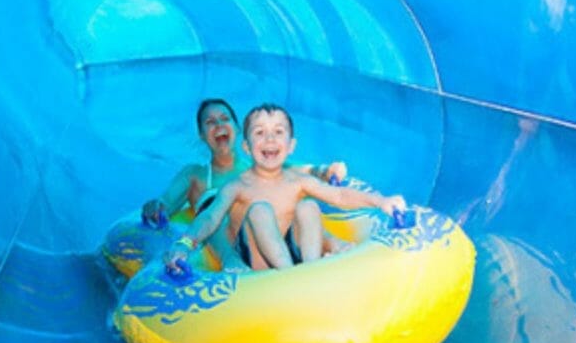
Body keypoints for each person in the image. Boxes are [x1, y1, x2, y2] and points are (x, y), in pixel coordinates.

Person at [163, 103, 405, 271]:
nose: (270, 139)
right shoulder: (237, 185)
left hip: (294, 253)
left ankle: (312, 269)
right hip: (257, 260)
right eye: (260, 133)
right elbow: (210, 218)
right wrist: (184, 244)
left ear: (291, 146)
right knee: (259, 211)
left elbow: (340, 195)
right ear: (247, 147)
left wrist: (381, 201)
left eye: (278, 132)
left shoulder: (296, 179)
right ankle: (293, 275)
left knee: (308, 207)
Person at [141, 98, 347, 267]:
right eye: (210, 122)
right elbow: (166, 203)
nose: (219, 125)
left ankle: (331, 244)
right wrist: (158, 210)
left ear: (237, 128)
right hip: (241, 245)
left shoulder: (260, 163)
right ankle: (231, 261)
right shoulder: (196, 174)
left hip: (276, 237)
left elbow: (302, 171)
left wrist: (326, 171)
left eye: (225, 119)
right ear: (202, 135)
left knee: (291, 198)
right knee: (214, 204)